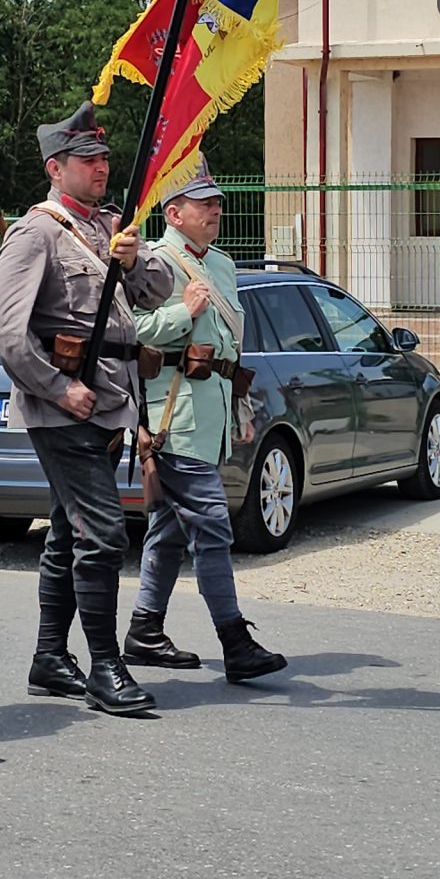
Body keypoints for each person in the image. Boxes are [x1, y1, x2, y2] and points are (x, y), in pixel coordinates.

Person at [0, 100, 175, 716]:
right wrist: (56, 387)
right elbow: (7, 332)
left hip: (110, 402)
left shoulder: (109, 227)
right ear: (55, 167)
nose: (101, 167)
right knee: (104, 531)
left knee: (70, 531)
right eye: (87, 159)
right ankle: (105, 667)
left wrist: (134, 258)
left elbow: (157, 291)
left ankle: (49, 657)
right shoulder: (35, 233)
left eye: (103, 157)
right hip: (64, 407)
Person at [124, 165, 286, 683]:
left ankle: (144, 631)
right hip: (172, 416)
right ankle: (235, 642)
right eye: (203, 203)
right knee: (212, 525)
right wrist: (183, 313)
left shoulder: (220, 263)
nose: (215, 209)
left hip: (210, 413)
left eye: (216, 202)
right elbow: (131, 331)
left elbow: (227, 347)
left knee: (169, 528)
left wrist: (240, 407)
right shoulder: (153, 263)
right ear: (174, 213)